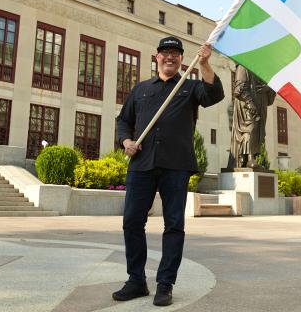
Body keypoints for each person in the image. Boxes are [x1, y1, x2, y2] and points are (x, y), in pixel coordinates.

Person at [114, 36, 224, 306]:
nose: (170, 57)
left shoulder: (190, 87)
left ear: (182, 59)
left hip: (177, 165)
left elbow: (214, 94)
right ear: (157, 57)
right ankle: (136, 280)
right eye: (165, 53)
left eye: (175, 53)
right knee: (131, 221)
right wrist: (126, 141)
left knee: (174, 225)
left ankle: (165, 283)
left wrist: (206, 63)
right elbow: (123, 121)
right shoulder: (140, 90)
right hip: (142, 165)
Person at [228, 64, 276, 169]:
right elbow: (239, 90)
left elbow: (270, 100)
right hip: (246, 106)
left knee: (258, 131)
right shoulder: (243, 66)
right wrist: (249, 102)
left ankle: (251, 157)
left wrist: (268, 89)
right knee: (250, 128)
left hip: (261, 107)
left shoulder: (264, 72)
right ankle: (248, 158)